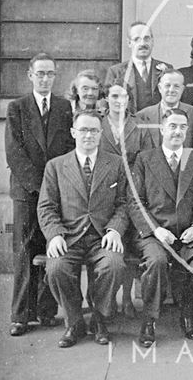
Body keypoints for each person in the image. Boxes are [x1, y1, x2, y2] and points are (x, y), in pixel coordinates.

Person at [38, 110, 128, 348]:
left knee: (114, 265)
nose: (88, 135)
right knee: (56, 267)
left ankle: (100, 318)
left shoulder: (116, 163)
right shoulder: (55, 166)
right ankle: (74, 321)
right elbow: (46, 206)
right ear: (73, 132)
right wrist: (54, 235)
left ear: (101, 133)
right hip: (69, 237)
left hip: (102, 238)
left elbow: (123, 204)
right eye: (83, 130)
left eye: (94, 131)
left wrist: (115, 230)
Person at [128, 108, 193, 347]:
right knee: (156, 262)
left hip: (188, 232)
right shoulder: (145, 159)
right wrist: (156, 230)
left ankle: (188, 311)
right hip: (155, 234)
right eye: (172, 126)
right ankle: (149, 319)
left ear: (187, 130)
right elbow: (135, 201)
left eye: (182, 127)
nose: (177, 132)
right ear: (162, 129)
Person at [5, 53, 74, 337]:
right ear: (30, 75)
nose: (45, 79)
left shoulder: (63, 106)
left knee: (51, 247)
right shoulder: (17, 108)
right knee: (24, 251)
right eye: (40, 73)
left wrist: (53, 187)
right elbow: (14, 153)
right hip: (26, 191)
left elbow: (68, 147)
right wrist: (39, 186)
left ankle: (46, 311)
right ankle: (21, 315)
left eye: (50, 74)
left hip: (54, 191)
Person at [99, 82, 152, 318]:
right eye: (114, 96)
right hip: (106, 192)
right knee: (111, 245)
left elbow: (147, 158)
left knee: (130, 241)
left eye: (124, 96)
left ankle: (129, 298)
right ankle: (108, 299)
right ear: (106, 99)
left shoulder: (138, 126)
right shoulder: (98, 125)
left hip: (132, 189)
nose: (119, 100)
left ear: (129, 99)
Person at [105, 22, 173, 113]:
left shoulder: (167, 68)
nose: (142, 43)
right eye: (137, 39)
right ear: (129, 43)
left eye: (146, 38)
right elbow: (106, 103)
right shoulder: (116, 71)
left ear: (152, 41)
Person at [136, 69, 193, 148]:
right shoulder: (143, 115)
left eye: (176, 86)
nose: (171, 90)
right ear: (159, 88)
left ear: (182, 89)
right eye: (167, 85)